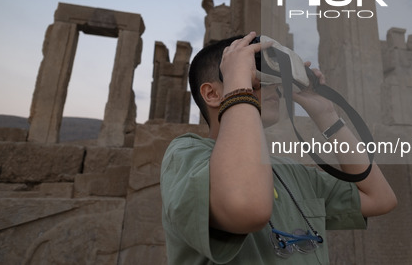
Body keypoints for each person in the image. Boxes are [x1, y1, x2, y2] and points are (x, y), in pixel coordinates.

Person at [160, 32, 397, 264]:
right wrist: (239, 84)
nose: (271, 87)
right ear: (212, 93)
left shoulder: (289, 170)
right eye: (256, 78)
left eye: (272, 79)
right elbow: (247, 207)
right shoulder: (186, 156)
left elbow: (380, 198)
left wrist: (327, 115)